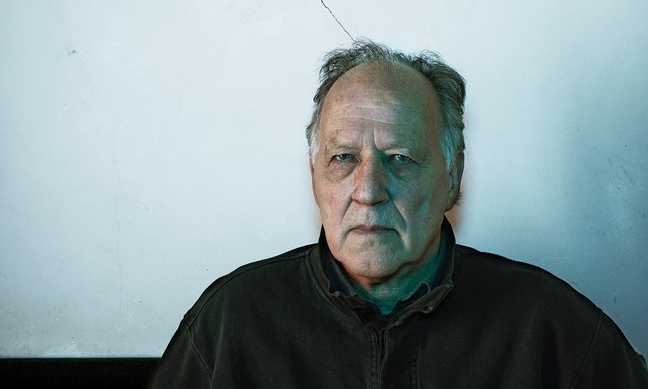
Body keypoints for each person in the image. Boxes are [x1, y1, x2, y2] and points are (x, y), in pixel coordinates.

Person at [148, 40, 648, 388]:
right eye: (343, 158)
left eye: (400, 159)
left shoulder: (549, 328)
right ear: (314, 176)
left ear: (453, 176)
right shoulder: (233, 322)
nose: (367, 191)